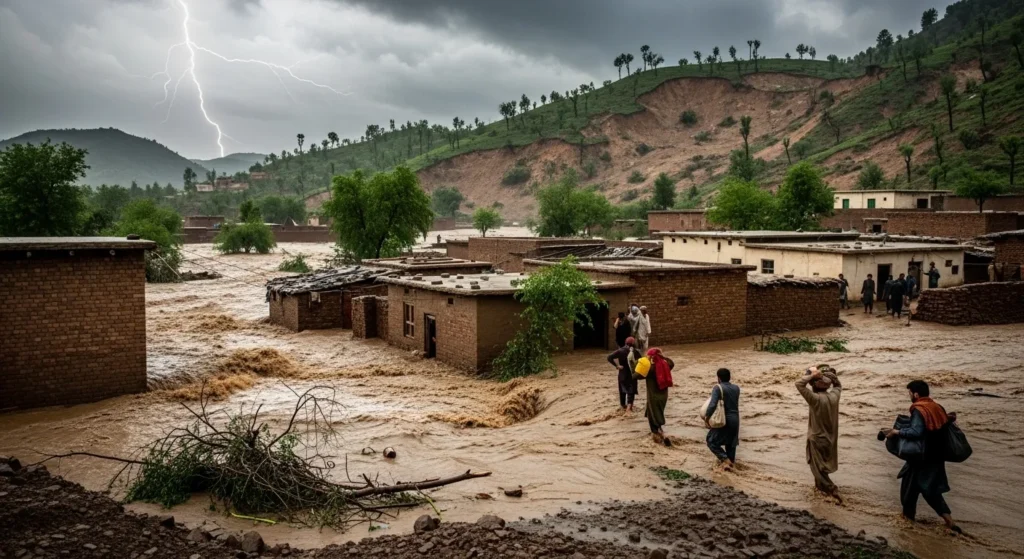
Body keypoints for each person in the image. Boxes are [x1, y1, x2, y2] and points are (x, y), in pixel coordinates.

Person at [885, 380, 962, 534]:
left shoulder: (919, 410)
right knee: (931, 491)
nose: (909, 396)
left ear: (916, 394)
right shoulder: (937, 407)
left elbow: (916, 432)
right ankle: (950, 522)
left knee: (908, 490)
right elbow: (940, 425)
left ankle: (907, 524)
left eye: (909, 393)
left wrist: (896, 432)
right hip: (936, 457)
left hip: (920, 459)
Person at [796, 366, 843, 502]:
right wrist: (830, 376)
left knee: (817, 468)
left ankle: (830, 488)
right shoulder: (834, 396)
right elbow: (838, 385)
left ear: (814, 386)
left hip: (816, 438)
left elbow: (799, 384)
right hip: (830, 439)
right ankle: (820, 491)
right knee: (823, 467)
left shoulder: (814, 399)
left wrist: (813, 374)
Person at [703, 368, 741, 471]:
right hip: (736, 420)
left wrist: (707, 418)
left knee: (711, 441)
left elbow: (712, 405)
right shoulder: (736, 388)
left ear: (718, 378)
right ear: (729, 377)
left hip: (724, 420)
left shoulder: (717, 388)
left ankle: (725, 460)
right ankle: (730, 465)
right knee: (731, 444)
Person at [634, 348, 673, 447]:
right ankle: (660, 435)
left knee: (654, 418)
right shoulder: (666, 365)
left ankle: (662, 436)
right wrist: (661, 356)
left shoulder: (650, 369)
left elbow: (635, 376)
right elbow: (672, 362)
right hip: (663, 397)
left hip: (653, 397)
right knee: (657, 414)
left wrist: (637, 364)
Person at [607, 337, 640, 411]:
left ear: (625, 343)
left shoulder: (620, 351)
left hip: (622, 374)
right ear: (633, 344)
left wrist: (617, 366)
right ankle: (629, 409)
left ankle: (622, 407)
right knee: (631, 393)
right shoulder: (636, 352)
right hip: (632, 375)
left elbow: (609, 357)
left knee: (622, 391)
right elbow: (641, 362)